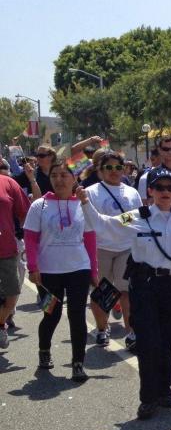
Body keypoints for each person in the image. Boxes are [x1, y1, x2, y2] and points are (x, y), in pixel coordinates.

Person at [79, 168, 171, 418]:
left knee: (167, 342)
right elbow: (103, 225)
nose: (165, 192)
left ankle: (164, 390)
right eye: (159, 188)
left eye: (170, 188)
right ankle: (148, 397)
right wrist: (86, 203)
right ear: (149, 191)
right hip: (147, 287)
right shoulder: (136, 216)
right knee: (149, 343)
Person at [25, 161, 99, 382]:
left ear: (74, 178)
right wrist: (33, 267)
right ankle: (44, 351)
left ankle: (78, 363)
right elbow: (30, 238)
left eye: (64, 175)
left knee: (78, 316)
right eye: (54, 175)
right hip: (48, 272)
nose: (59, 180)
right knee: (51, 314)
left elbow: (90, 238)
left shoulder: (83, 204)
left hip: (79, 269)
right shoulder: (40, 205)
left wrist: (94, 270)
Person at [85, 151, 143, 350]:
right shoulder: (91, 192)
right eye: (108, 167)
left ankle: (131, 332)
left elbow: (139, 219)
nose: (114, 171)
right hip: (100, 247)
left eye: (118, 167)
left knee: (126, 292)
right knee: (103, 291)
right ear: (100, 170)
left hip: (126, 248)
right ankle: (102, 329)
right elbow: (88, 221)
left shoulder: (131, 192)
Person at [0, 166, 30, 350]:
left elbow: (24, 211)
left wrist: (17, 232)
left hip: (6, 249)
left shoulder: (7, 182)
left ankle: (0, 323)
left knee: (12, 295)